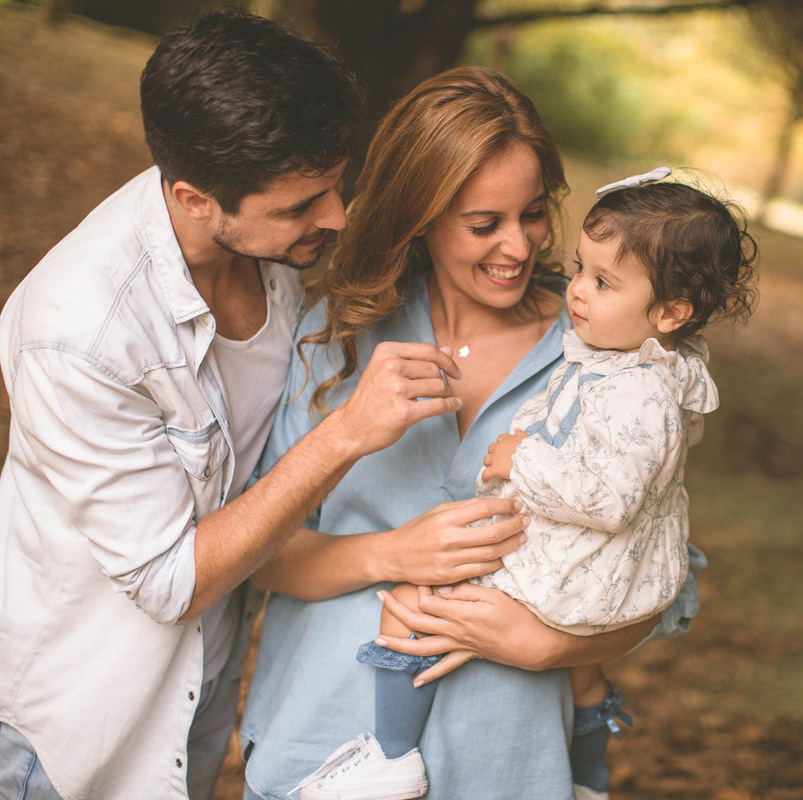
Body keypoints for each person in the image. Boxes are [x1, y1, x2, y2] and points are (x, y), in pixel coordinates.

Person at [0, 11, 484, 800]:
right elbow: (168, 580)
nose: (335, 216)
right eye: (301, 205)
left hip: (197, 710)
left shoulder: (270, 248)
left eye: (335, 185)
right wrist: (346, 434)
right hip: (70, 737)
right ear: (194, 198)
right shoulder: (81, 334)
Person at [239, 67, 708, 800]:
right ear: (420, 216)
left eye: (533, 214)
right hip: (323, 751)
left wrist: (547, 644)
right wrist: (388, 553)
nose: (518, 247)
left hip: (507, 764)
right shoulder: (337, 338)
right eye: (484, 224)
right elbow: (260, 554)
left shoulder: (610, 361)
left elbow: (659, 575)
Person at [292, 170, 758, 800]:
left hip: (567, 587)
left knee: (411, 605)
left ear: (671, 312)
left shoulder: (636, 387)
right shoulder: (628, 361)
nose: (576, 290)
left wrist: (521, 461)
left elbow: (621, 506)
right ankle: (588, 778)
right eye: (581, 269)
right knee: (583, 675)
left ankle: (391, 756)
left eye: (603, 282)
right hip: (592, 573)